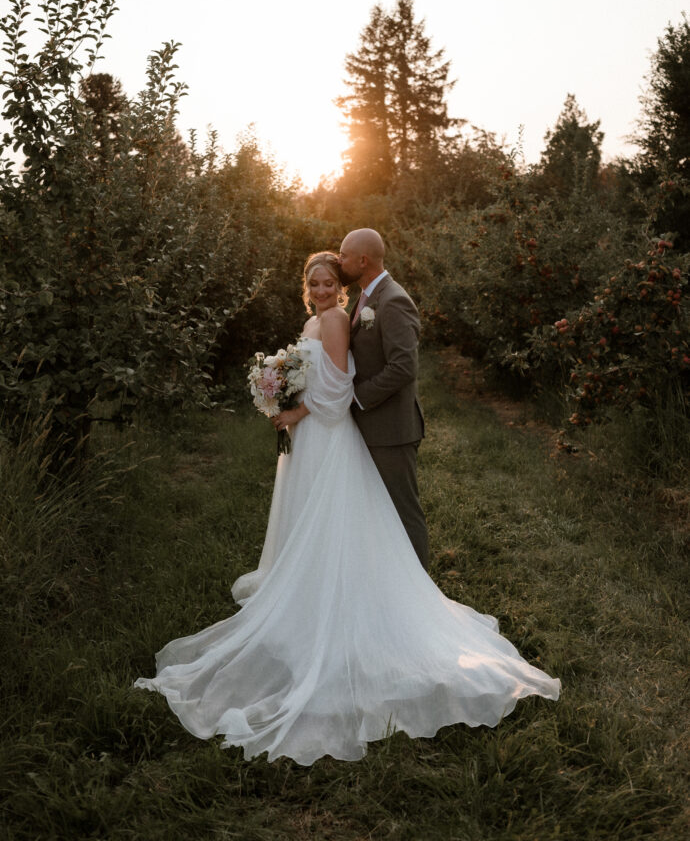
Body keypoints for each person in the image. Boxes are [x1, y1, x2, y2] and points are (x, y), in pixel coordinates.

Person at [133, 251, 560, 765]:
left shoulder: (335, 320)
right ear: (305, 285)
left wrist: (293, 408)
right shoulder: (317, 319)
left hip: (327, 436)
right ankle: (309, 597)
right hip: (309, 439)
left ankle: (339, 608)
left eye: (328, 281)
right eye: (312, 281)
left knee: (330, 525)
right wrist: (277, 392)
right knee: (308, 525)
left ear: (340, 285)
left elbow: (337, 390)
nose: (319, 288)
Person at [337, 228, 428, 568]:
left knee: (404, 513)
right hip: (373, 426)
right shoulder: (366, 296)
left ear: (363, 260)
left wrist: (355, 397)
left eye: (344, 255)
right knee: (379, 512)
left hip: (392, 429)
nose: (339, 260)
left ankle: (421, 594)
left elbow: (404, 366)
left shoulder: (393, 300)